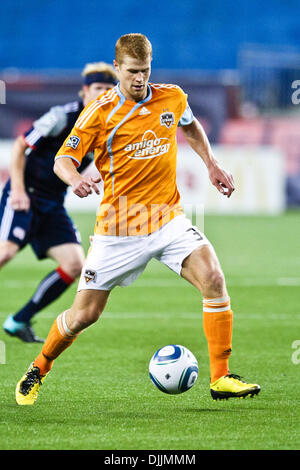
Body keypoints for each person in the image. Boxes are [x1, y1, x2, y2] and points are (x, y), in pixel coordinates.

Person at [15, 33, 260, 404]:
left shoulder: (172, 97)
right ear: (117, 68)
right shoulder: (99, 113)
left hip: (167, 217)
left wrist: (211, 164)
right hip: (119, 229)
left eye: (145, 70)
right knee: (84, 315)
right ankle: (39, 367)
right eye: (132, 71)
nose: (139, 79)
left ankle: (221, 377)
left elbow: (191, 126)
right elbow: (62, 160)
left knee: (213, 277)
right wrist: (76, 179)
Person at [1, 62, 118, 342]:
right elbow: (20, 146)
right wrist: (17, 190)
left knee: (76, 264)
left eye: (108, 89)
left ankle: (19, 321)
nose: (103, 94)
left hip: (53, 202)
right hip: (25, 193)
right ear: (84, 91)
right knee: (4, 253)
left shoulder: (108, 127)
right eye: (98, 88)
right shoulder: (61, 117)